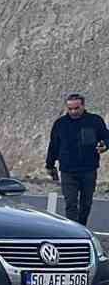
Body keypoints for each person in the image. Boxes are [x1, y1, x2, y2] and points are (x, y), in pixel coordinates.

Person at [46, 93, 109, 225]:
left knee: (86, 203)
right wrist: (50, 165)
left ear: (83, 106)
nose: (73, 111)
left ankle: (82, 227)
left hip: (88, 169)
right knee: (71, 203)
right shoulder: (60, 124)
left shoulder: (95, 121)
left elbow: (106, 137)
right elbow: (53, 146)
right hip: (68, 171)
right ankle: (74, 231)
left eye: (76, 108)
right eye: (70, 109)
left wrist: (105, 145)